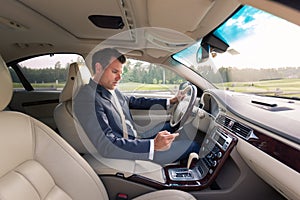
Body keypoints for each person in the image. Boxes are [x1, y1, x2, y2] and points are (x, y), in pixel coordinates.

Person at [74, 48, 199, 164]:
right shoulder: (88, 98)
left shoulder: (108, 89)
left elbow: (133, 101)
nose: (119, 77)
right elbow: (107, 145)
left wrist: (170, 101)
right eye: (114, 71)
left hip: (134, 137)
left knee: (170, 126)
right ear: (98, 68)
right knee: (193, 145)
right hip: (129, 149)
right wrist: (153, 145)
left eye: (121, 72)